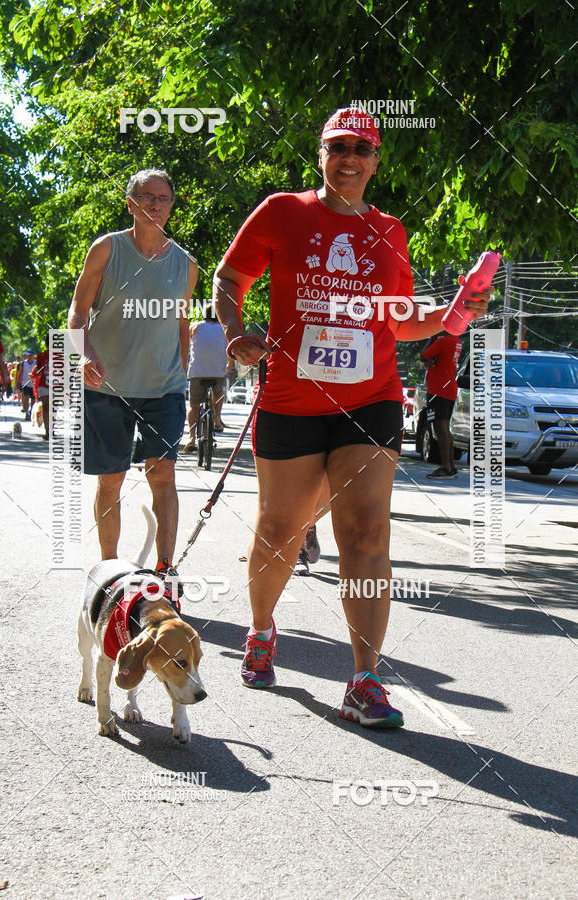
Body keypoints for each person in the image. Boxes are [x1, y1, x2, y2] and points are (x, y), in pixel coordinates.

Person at [214, 108, 491, 728]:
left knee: (365, 530)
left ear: (375, 160)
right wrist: (236, 331)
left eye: (362, 149)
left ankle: (364, 678)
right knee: (281, 530)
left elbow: (400, 320)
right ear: (321, 154)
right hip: (292, 398)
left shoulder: (390, 231)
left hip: (371, 398)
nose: (349, 158)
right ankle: (261, 629)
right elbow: (230, 277)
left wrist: (453, 313)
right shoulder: (283, 211)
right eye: (338, 146)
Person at [68, 168, 197, 570]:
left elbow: (181, 325)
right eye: (147, 197)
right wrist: (83, 355)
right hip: (107, 386)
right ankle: (110, 570)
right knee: (112, 480)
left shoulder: (187, 264)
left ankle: (165, 569)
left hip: (165, 389)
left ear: (171, 206)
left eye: (163, 198)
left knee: (163, 475)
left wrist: (183, 381)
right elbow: (77, 311)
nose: (155, 205)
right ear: (131, 203)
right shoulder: (106, 249)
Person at [183, 303, 232, 452]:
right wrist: (231, 366)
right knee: (219, 393)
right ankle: (217, 419)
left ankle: (191, 437)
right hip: (218, 371)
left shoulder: (195, 326)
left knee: (194, 405)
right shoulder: (224, 330)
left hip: (197, 372)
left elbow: (186, 344)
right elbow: (231, 349)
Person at [421, 330, 462, 478]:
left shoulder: (441, 341)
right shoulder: (456, 340)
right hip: (449, 388)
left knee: (439, 427)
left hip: (439, 389)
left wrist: (431, 337)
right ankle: (450, 466)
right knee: (445, 428)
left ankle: (445, 467)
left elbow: (423, 354)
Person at [32, 338, 51, 440]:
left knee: (53, 407)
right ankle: (47, 431)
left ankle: (51, 429)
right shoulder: (41, 356)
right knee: (46, 406)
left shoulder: (60, 356)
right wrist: (43, 368)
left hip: (55, 385)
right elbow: (38, 371)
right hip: (43, 384)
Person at [16, 350, 36, 420]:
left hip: (33, 384)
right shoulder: (23, 363)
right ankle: (27, 412)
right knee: (26, 397)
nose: (29, 357)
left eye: (31, 355)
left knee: (33, 399)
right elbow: (20, 373)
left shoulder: (36, 363)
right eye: (28, 355)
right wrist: (17, 382)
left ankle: (31, 411)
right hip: (25, 383)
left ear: (33, 356)